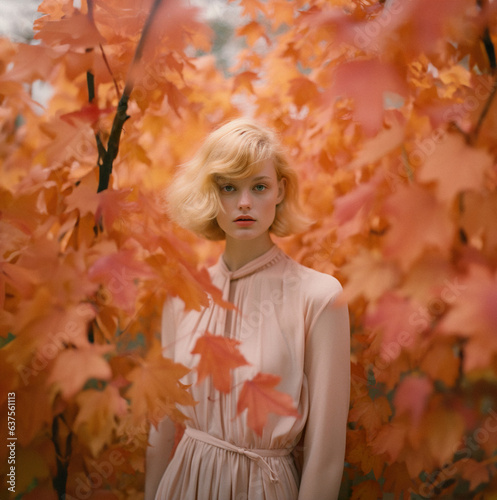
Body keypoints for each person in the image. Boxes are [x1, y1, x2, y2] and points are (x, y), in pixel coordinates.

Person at [144, 118, 350, 500]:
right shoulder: (181, 298)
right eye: (228, 187)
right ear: (211, 193)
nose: (244, 203)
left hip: (264, 488)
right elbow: (161, 428)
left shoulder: (319, 296)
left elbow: (325, 456)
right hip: (182, 487)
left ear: (280, 190)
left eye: (258, 187)